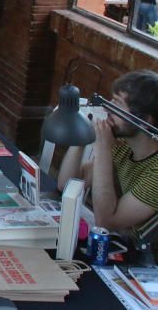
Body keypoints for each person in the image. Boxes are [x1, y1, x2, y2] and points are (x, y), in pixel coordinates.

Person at [58, 70, 158, 233]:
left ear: (146, 121)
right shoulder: (125, 147)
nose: (107, 109)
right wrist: (84, 135)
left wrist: (103, 149)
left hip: (142, 256)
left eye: (117, 104)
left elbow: (105, 222)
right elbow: (68, 185)